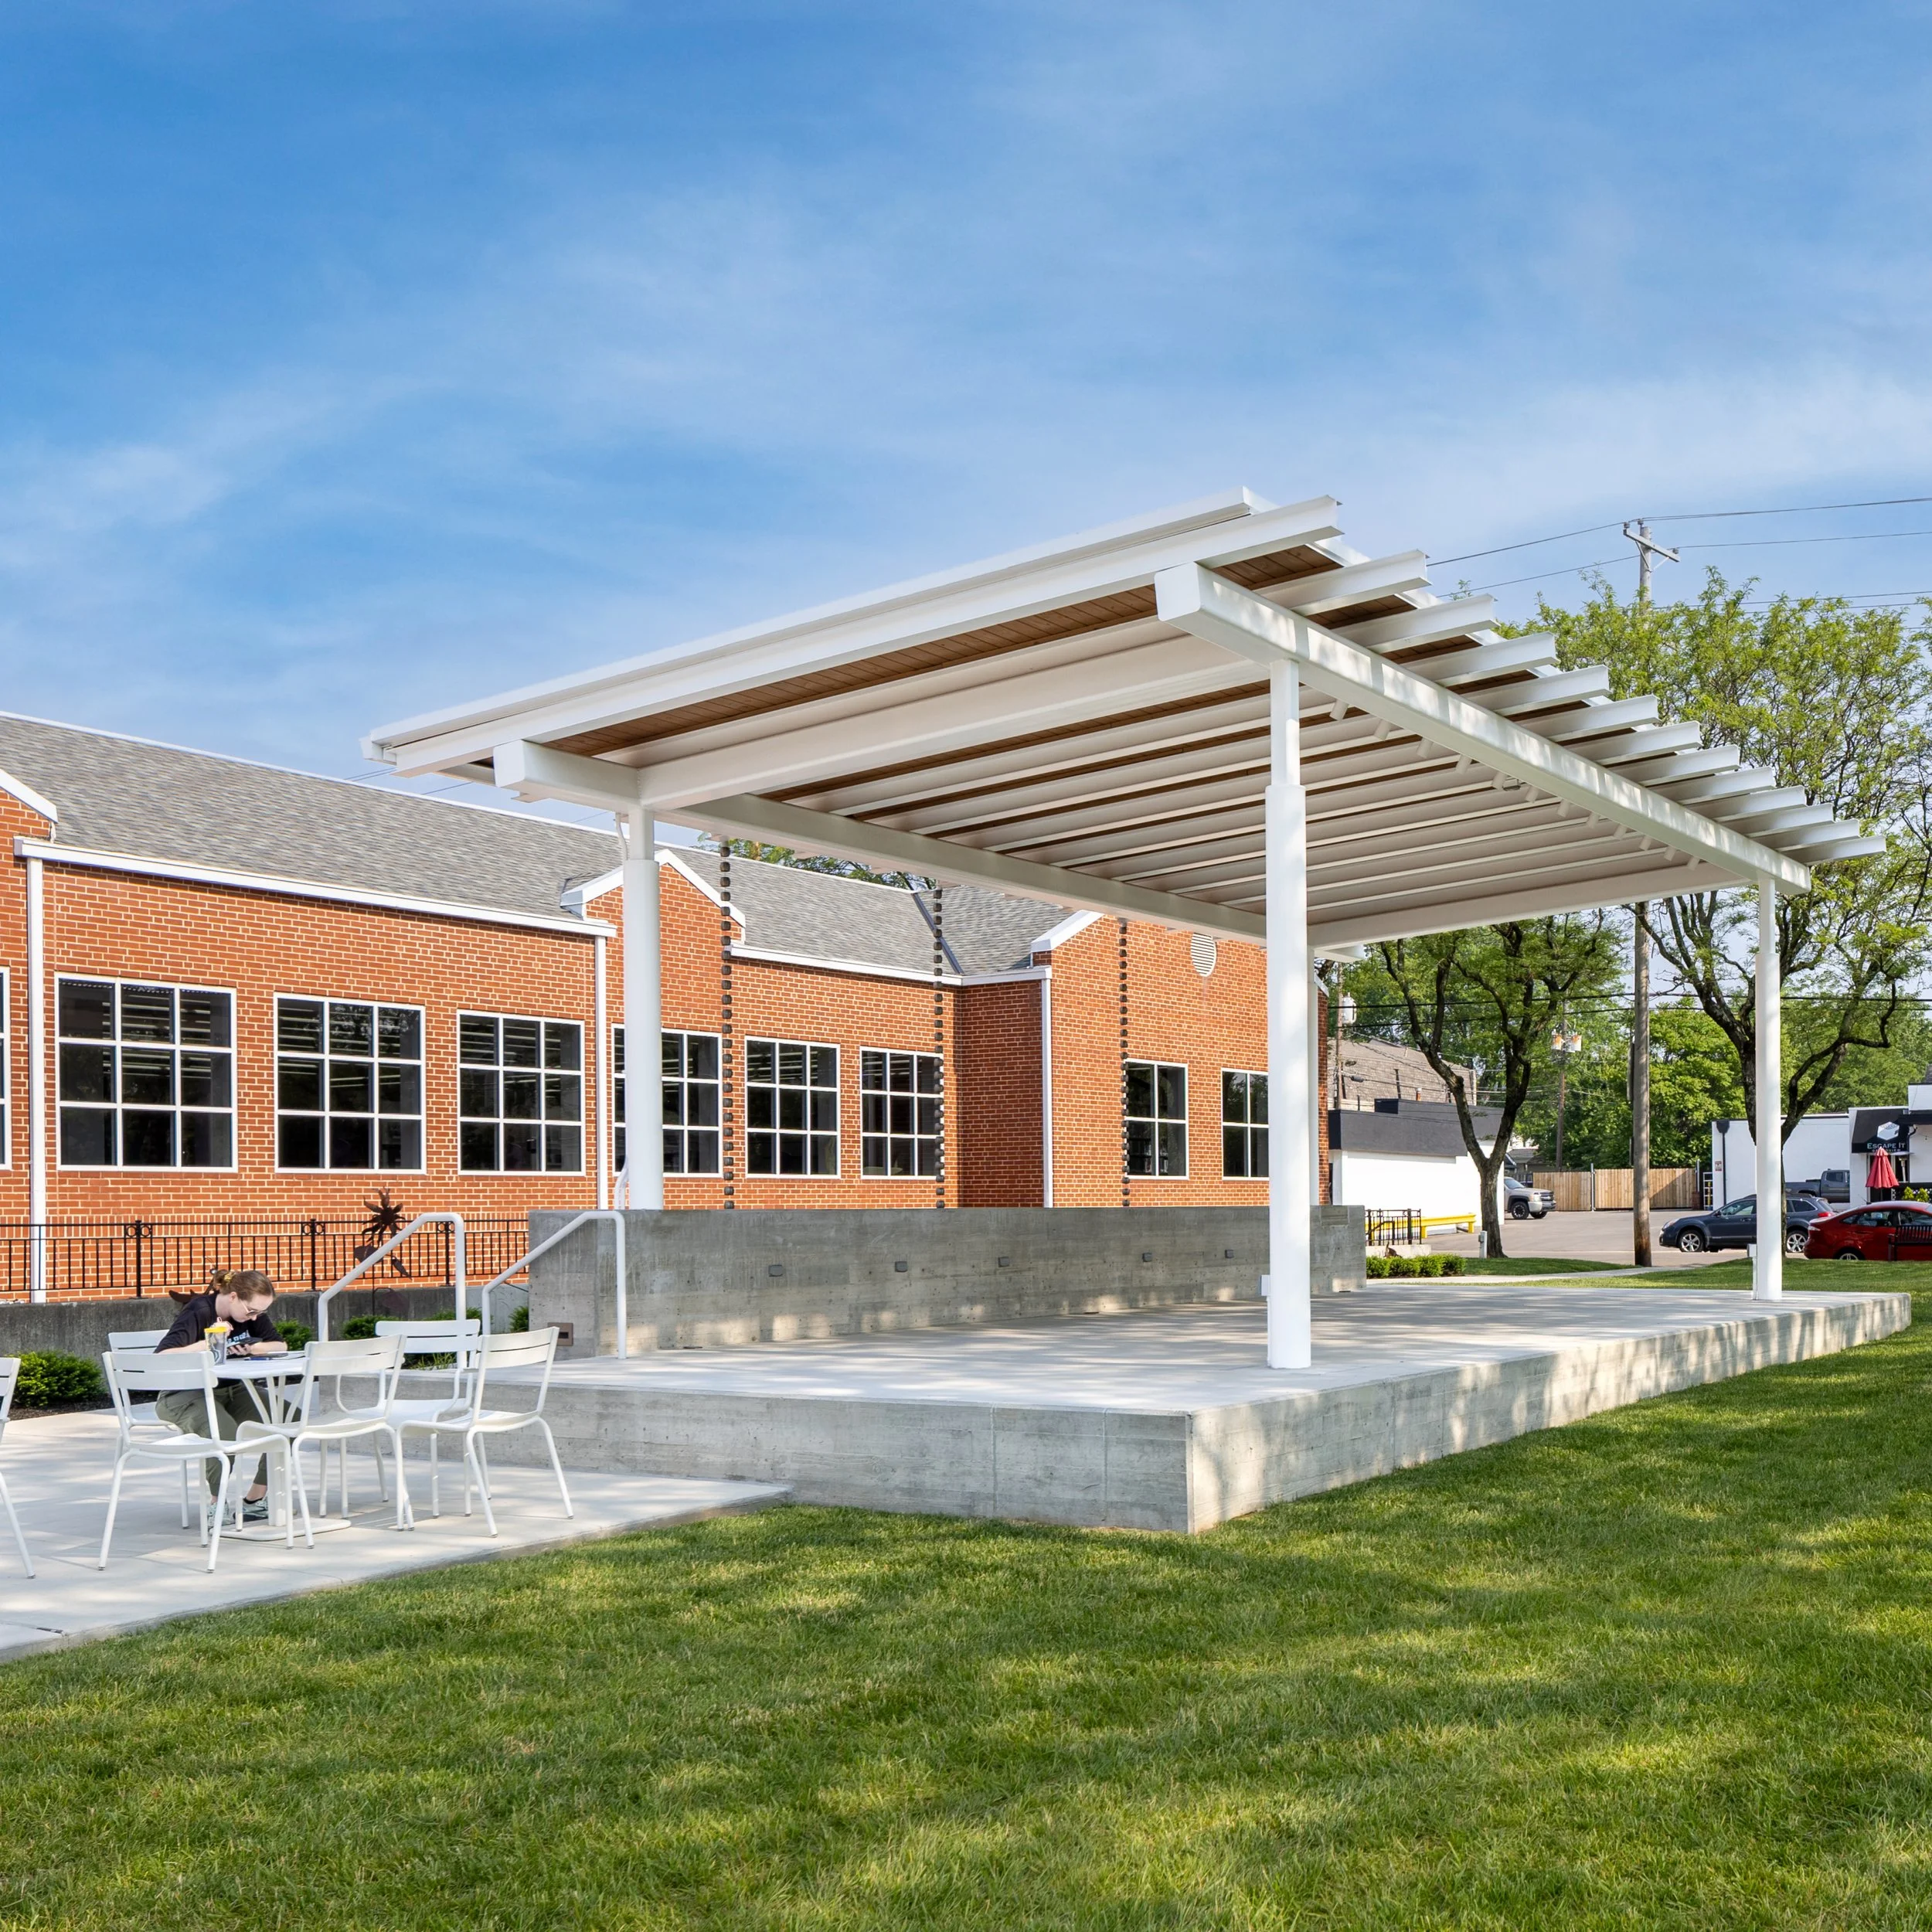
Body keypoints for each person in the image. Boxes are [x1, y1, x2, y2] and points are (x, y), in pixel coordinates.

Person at [155, 1269, 290, 1521]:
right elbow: (162, 1357)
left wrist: (253, 1347)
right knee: (224, 1433)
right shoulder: (200, 1311)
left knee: (288, 1420)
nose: (255, 1317)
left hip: (232, 1389)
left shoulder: (252, 1315)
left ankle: (254, 1500)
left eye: (261, 1312)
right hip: (183, 1393)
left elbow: (280, 1346)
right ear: (233, 1297)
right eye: (251, 1311)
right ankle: (217, 1506)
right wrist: (208, 1344)